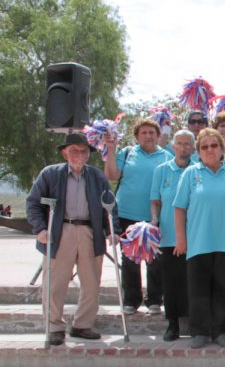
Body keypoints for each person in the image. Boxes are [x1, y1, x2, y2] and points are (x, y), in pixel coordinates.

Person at [26, 133, 120, 346]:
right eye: (74, 150)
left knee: (91, 282)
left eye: (83, 151)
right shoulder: (50, 174)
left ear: (88, 154)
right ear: (65, 152)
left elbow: (110, 206)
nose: (79, 155)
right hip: (59, 231)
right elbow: (33, 203)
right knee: (55, 283)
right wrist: (40, 228)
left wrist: (110, 230)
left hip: (90, 232)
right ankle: (55, 327)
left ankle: (83, 324)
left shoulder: (97, 177)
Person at [173, 128, 225, 349]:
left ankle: (220, 331)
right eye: (204, 147)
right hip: (198, 242)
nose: (209, 150)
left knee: (224, 288)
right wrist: (181, 239)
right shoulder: (190, 174)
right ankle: (199, 331)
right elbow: (179, 209)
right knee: (198, 288)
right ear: (198, 151)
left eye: (214, 145)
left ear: (222, 149)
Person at [104, 118, 170, 315]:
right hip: (126, 213)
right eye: (144, 133)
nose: (148, 136)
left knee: (155, 259)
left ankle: (154, 299)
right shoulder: (127, 153)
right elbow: (112, 175)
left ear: (158, 136)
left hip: (155, 215)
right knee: (130, 258)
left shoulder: (166, 156)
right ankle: (131, 300)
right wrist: (111, 150)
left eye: (152, 132)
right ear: (137, 137)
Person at [150, 130, 195, 341]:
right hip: (168, 234)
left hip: (195, 234)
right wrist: (154, 222)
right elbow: (155, 201)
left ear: (193, 148)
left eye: (188, 144)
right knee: (171, 281)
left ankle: (196, 321)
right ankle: (173, 323)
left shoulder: (198, 170)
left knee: (194, 280)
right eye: (180, 144)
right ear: (173, 146)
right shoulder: (161, 170)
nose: (184, 148)